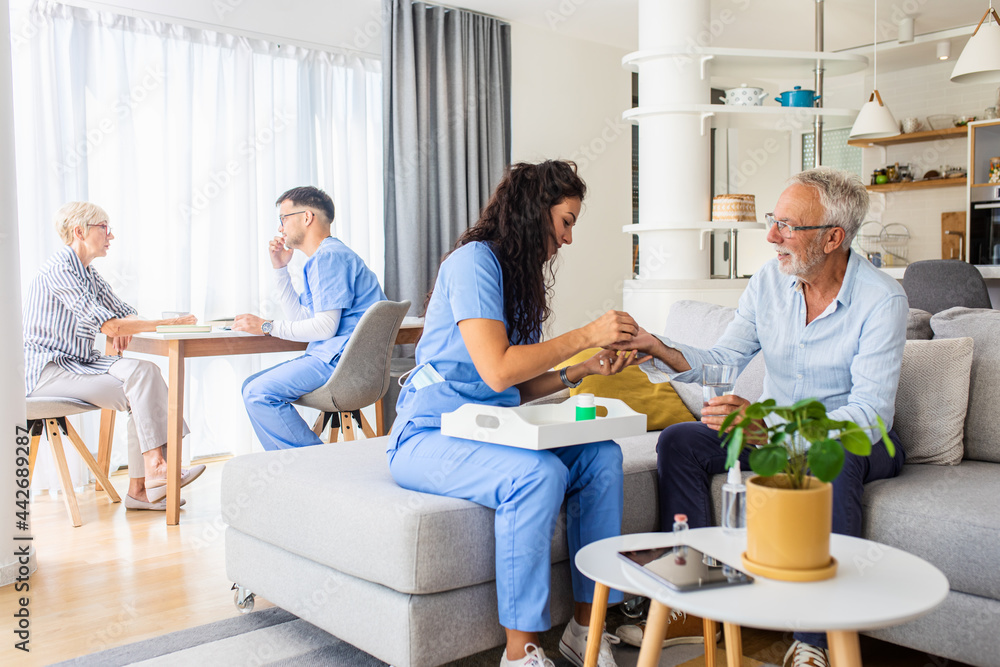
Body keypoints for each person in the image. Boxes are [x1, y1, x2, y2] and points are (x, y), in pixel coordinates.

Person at [613, 168, 908, 667]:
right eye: (774, 220)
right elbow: (724, 360)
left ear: (834, 237)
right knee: (681, 442)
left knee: (825, 457)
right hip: (774, 432)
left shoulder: (882, 300)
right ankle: (694, 602)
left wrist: (772, 426)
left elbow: (869, 412)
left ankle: (814, 640)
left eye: (788, 225)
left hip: (857, 438)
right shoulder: (770, 281)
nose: (771, 235)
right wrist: (657, 347)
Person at [387, 160, 648, 667]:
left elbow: (517, 386)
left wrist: (583, 369)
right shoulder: (472, 263)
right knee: (536, 474)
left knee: (600, 455)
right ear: (535, 213)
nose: (569, 238)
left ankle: (585, 629)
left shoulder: (518, 278)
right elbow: (498, 371)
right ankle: (520, 653)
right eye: (566, 221)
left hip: (491, 430)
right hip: (427, 435)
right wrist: (588, 334)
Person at [24, 202, 205, 511]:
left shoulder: (88, 273)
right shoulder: (60, 269)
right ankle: (157, 468)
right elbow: (111, 324)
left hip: (79, 364)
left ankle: (142, 488)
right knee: (141, 380)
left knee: (145, 376)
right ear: (80, 232)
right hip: (48, 370)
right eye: (104, 227)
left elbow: (122, 312)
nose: (111, 235)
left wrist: (123, 324)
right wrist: (159, 324)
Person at [236, 186, 386, 450]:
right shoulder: (328, 257)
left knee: (258, 393)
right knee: (251, 386)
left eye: (283, 218)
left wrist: (266, 326)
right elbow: (301, 318)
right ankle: (299, 470)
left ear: (307, 217)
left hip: (339, 364)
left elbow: (325, 328)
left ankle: (316, 466)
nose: (280, 228)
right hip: (340, 360)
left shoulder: (328, 258)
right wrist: (280, 268)